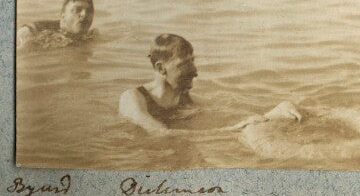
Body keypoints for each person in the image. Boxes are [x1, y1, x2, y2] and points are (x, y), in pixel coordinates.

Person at [119, 34, 301, 135]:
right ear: (161, 68)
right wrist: (234, 129)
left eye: (193, 60)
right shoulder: (133, 97)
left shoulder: (186, 100)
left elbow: (231, 115)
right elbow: (161, 134)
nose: (195, 71)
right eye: (183, 64)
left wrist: (274, 112)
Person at [16, 0, 95, 49]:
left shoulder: (92, 36)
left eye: (89, 11)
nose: (84, 14)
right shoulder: (34, 30)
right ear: (63, 16)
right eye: (77, 10)